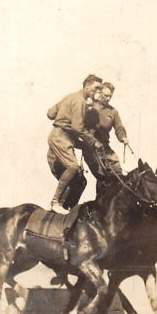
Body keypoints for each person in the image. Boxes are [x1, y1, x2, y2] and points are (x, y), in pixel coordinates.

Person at [46, 74, 104, 214]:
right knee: (73, 167)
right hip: (61, 137)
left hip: (59, 136)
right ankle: (55, 202)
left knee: (80, 180)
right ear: (87, 86)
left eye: (99, 89)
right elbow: (78, 128)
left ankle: (68, 209)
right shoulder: (81, 101)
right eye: (96, 88)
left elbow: (50, 114)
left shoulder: (70, 97)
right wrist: (93, 142)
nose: (97, 92)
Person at [83, 82, 129, 191]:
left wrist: (123, 137)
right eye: (105, 95)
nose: (107, 99)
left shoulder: (112, 111)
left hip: (105, 147)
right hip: (91, 147)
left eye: (110, 96)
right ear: (99, 93)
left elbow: (119, 127)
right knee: (102, 174)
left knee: (117, 172)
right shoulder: (89, 106)